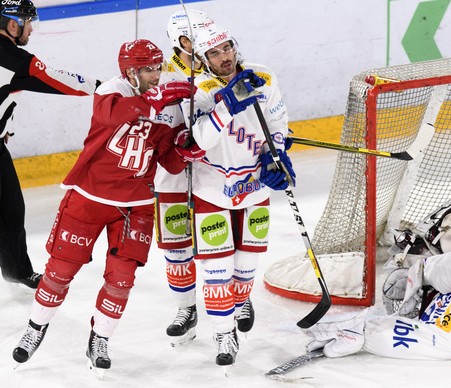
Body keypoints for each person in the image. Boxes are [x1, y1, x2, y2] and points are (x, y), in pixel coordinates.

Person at [11, 38, 203, 378]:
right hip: (89, 197)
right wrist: (154, 100)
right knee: (59, 271)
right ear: (130, 71)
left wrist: (189, 149)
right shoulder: (111, 91)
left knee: (121, 280)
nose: (156, 74)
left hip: (137, 205)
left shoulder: (168, 104)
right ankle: (36, 327)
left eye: (158, 67)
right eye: (148, 69)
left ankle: (100, 338)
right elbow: (113, 116)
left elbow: (168, 163)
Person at [185, 24, 294, 366]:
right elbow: (201, 139)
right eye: (214, 53)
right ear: (203, 59)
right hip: (211, 191)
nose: (224, 57)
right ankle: (223, 334)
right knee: (217, 273)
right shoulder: (199, 90)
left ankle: (239, 303)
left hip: (254, 188)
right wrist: (226, 104)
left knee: (245, 271)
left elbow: (278, 124)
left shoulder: (264, 77)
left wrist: (276, 156)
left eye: (227, 48)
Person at [0, 0, 100, 289]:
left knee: (10, 208)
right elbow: (58, 80)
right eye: (28, 22)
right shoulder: (13, 59)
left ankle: (15, 269)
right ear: (12, 24)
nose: (31, 28)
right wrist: (104, 88)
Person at [305, 251, 451, 360]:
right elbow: (445, 264)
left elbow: (399, 339)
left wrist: (364, 333)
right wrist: (416, 277)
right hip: (447, 291)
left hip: (432, 318)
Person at [153, 9, 215, 347]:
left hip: (213, 174)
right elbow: (158, 131)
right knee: (177, 246)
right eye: (198, 36)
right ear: (183, 41)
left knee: (221, 241)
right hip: (173, 178)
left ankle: (237, 297)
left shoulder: (219, 68)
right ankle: (186, 309)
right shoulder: (163, 79)